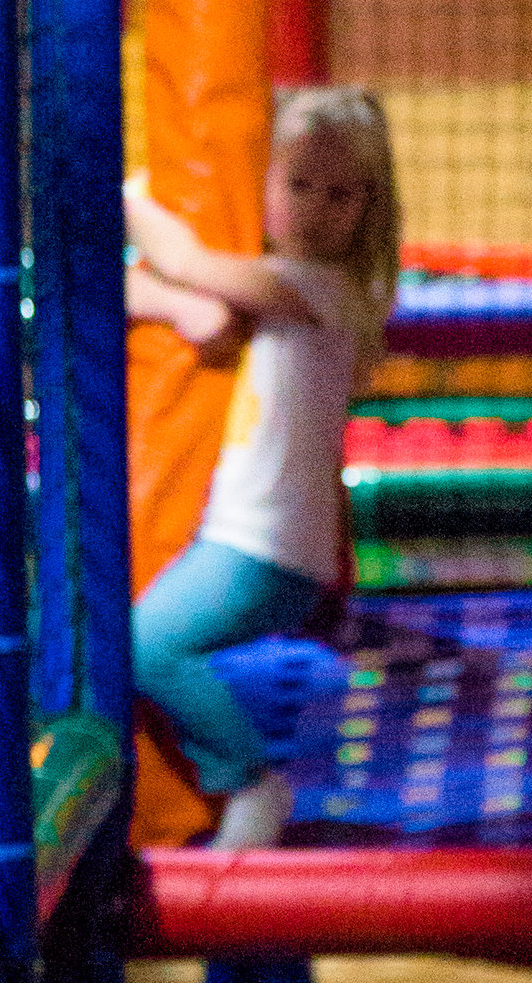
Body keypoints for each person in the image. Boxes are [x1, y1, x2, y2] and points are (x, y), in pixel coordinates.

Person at [124, 84, 399, 851]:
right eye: (298, 183)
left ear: (368, 208)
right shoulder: (293, 285)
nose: (314, 207)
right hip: (258, 546)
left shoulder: (321, 288)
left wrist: (128, 191)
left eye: (339, 193)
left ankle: (247, 776)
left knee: (144, 645)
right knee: (147, 642)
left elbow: (182, 259)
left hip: (263, 554)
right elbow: (179, 288)